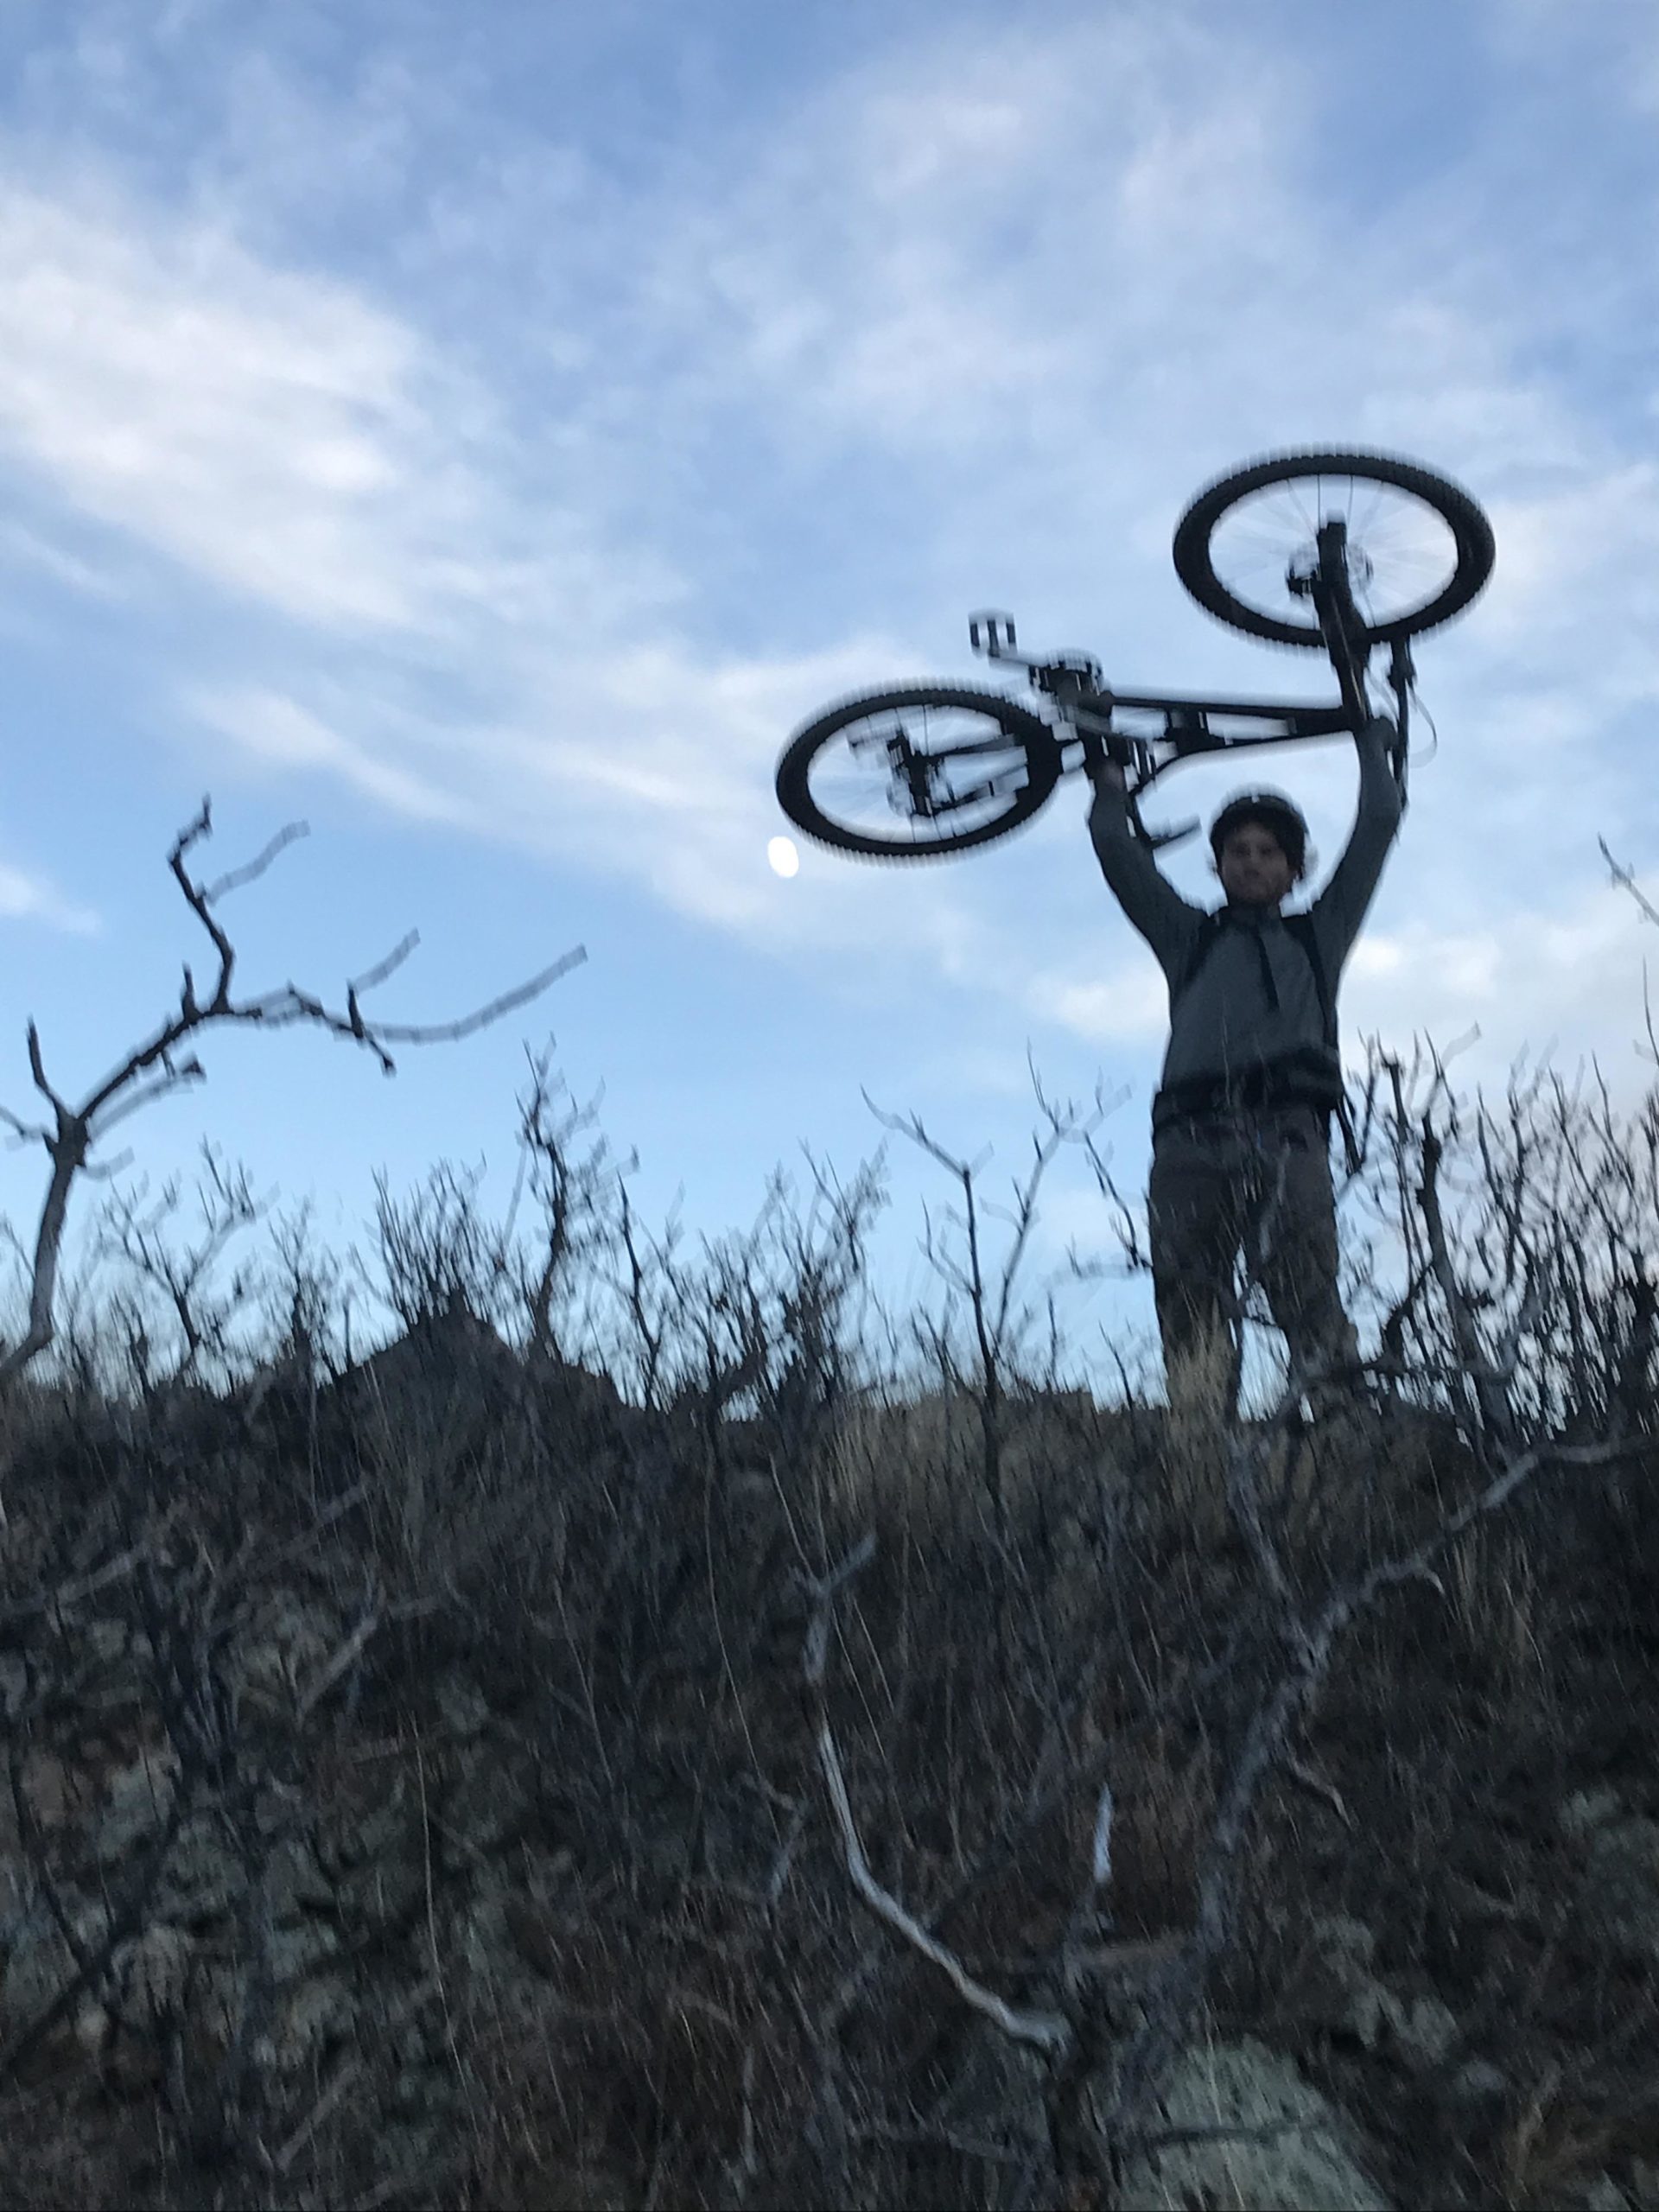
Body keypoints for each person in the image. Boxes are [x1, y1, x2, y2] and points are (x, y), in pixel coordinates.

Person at [1086, 717, 1402, 1413]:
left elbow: (1378, 824)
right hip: (1189, 1147)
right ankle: (1200, 1468)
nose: (1251, 861)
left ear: (1294, 869)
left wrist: (1373, 746)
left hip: (1287, 1141)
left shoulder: (1318, 937)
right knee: (1189, 1319)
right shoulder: (1187, 937)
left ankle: (1354, 1450)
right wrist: (1107, 781)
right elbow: (1116, 850)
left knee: (1310, 1304)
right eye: (1236, 851)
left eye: (1268, 852)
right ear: (1219, 864)